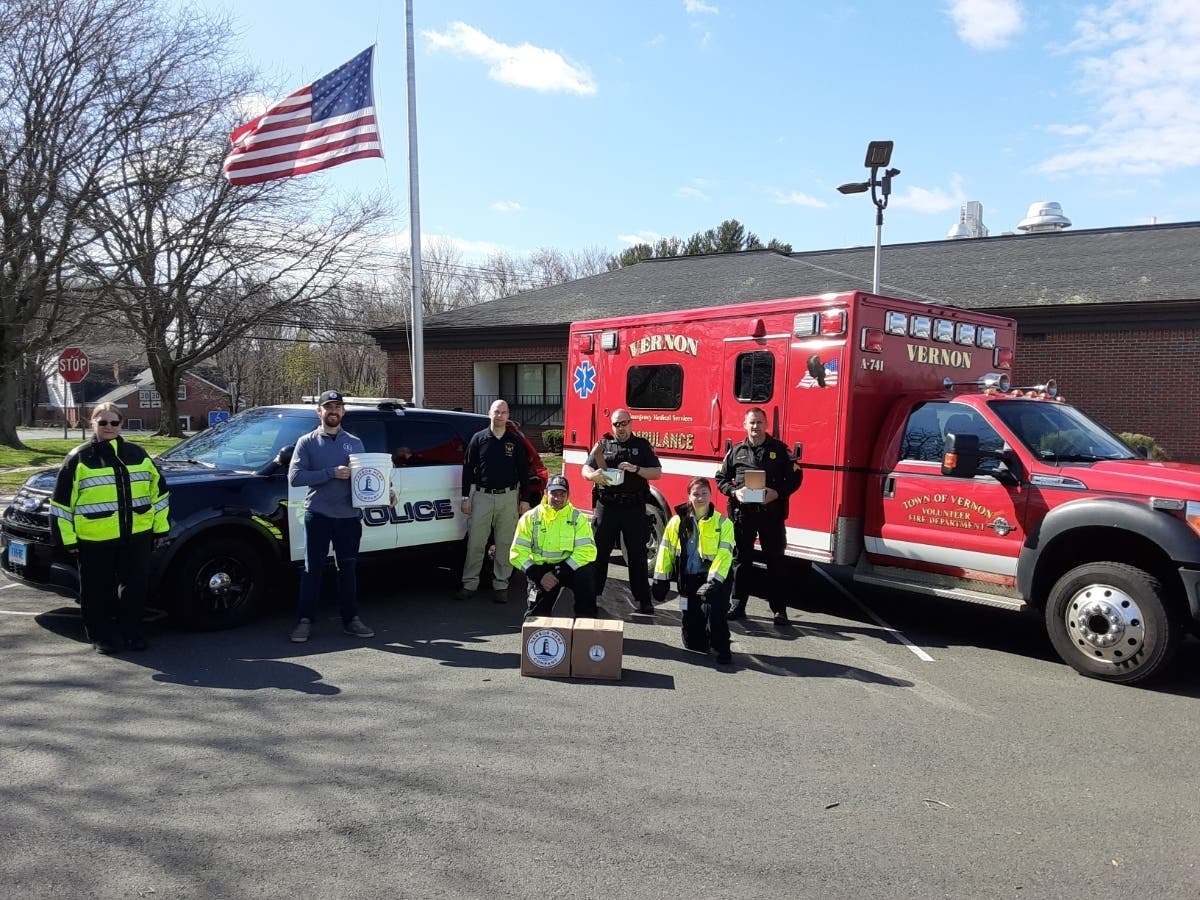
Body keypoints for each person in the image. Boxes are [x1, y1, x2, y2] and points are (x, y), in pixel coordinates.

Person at [50, 403, 170, 654]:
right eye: (102, 422)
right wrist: (67, 539)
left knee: (135, 589)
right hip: (95, 538)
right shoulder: (79, 458)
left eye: (114, 422)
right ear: (92, 423)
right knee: (96, 592)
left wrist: (160, 529)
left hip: (137, 535)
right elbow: (61, 505)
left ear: (121, 424)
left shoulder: (138, 454)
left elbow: (159, 494)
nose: (108, 427)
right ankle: (101, 636)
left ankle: (132, 633)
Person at [288, 390, 375, 643]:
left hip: (348, 517)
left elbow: (365, 477)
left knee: (347, 569)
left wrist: (383, 493)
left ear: (343, 412)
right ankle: (305, 621)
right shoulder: (306, 442)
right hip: (318, 514)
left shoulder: (355, 443)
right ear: (320, 412)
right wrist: (330, 473)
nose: (333, 411)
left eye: (338, 406)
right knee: (312, 569)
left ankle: (351, 620)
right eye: (328, 407)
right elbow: (295, 477)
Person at [716, 407, 803, 626]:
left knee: (775, 562)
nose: (756, 427)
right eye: (752, 423)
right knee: (741, 562)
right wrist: (735, 492)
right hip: (743, 516)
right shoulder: (736, 451)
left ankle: (779, 610)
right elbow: (720, 479)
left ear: (766, 425)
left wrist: (777, 492)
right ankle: (737, 605)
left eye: (759, 422)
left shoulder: (780, 450)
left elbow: (796, 478)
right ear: (745, 425)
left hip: (771, 516)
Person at [581, 408, 662, 615]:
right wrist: (593, 475)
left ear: (631, 423)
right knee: (599, 554)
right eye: (617, 424)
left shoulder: (641, 446)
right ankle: (593, 595)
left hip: (633, 508)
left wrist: (636, 469)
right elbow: (585, 469)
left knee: (637, 554)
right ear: (612, 426)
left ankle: (643, 599)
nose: (621, 428)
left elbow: (657, 473)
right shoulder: (603, 444)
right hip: (607, 507)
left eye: (624, 423)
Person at [652, 477, 735, 665]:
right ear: (689, 496)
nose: (700, 498)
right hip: (689, 579)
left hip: (715, 579)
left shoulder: (723, 523)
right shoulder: (677, 521)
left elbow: (724, 555)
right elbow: (666, 550)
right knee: (692, 637)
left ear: (711, 495)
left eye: (704, 493)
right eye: (696, 494)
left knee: (716, 615)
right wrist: (661, 580)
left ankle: (723, 647)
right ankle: (698, 638)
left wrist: (713, 582)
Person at [457, 399, 530, 603]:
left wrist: (524, 499)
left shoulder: (514, 441)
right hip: (482, 497)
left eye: (504, 412)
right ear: (490, 413)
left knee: (505, 544)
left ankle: (501, 585)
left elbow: (524, 472)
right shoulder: (479, 439)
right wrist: (465, 497)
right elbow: (467, 469)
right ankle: (469, 583)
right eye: (496, 411)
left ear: (508, 416)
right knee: (475, 543)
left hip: (508, 498)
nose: (500, 416)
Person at [510, 474, 598, 620]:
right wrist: (538, 574)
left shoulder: (578, 518)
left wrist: (558, 573)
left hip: (568, 568)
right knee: (536, 617)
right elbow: (517, 553)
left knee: (586, 576)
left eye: (562, 494)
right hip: (540, 571)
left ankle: (585, 629)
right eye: (554, 494)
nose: (558, 498)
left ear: (568, 495)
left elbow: (587, 551)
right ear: (545, 493)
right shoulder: (530, 518)